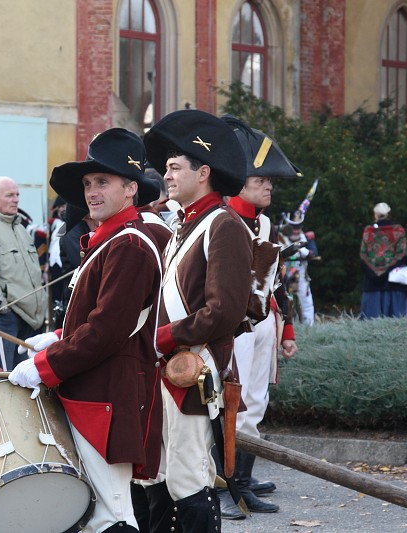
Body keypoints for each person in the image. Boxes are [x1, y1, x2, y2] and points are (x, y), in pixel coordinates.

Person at [9, 128, 163, 533]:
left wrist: (46, 365)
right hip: (94, 392)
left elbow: (107, 331)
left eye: (103, 182)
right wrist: (61, 337)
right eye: (88, 184)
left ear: (131, 188)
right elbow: (104, 320)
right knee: (95, 516)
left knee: (112, 516)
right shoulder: (109, 241)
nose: (92, 192)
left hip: (107, 395)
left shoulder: (128, 244)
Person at [142, 109, 252, 531]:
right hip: (167, 372)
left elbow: (223, 310)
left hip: (194, 374)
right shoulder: (183, 228)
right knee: (161, 480)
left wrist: (161, 337)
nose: (166, 176)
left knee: (190, 483)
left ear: (202, 171)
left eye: (174, 168)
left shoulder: (223, 225)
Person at [221, 117, 301, 519]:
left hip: (263, 322)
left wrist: (285, 327)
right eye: (261, 180)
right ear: (240, 182)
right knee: (229, 402)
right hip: (234, 325)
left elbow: (275, 282)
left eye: (270, 181)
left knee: (254, 401)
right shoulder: (223, 221)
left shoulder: (265, 223)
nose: (269, 186)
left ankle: (242, 483)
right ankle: (225, 485)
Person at [0, 176, 47, 370]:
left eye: (17, 195)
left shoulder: (20, 228)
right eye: (9, 195)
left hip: (32, 319)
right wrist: (3, 308)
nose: (16, 199)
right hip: (7, 319)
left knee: (28, 379)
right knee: (3, 379)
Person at [358, 202, 407, 319]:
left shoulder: (368, 232)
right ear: (389, 214)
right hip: (394, 283)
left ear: (376, 215)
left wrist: (374, 273)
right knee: (395, 324)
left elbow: (363, 256)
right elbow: (403, 254)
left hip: (372, 283)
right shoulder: (398, 231)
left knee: (370, 324)